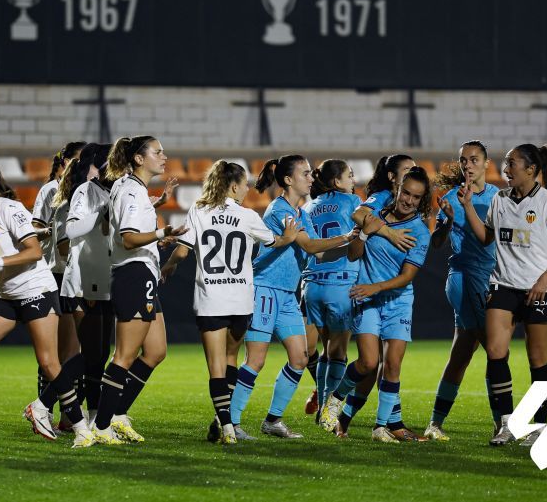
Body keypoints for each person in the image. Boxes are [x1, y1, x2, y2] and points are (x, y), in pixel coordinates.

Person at [0, 163, 95, 448]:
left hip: (36, 290)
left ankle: (82, 429)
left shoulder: (9, 208)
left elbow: (32, 252)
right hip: (6, 294)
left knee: (49, 363)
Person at [161, 160, 299, 444]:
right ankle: (226, 424)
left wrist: (168, 268)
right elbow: (274, 242)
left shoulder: (199, 211)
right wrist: (288, 237)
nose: (248, 187)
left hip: (212, 298)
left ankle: (226, 427)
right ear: (233, 186)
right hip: (241, 299)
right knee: (231, 360)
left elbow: (183, 253)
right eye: (244, 183)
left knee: (216, 368)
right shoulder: (248, 216)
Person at [229, 155, 356, 440]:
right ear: (288, 180)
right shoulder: (279, 210)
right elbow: (310, 246)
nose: (312, 179)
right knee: (256, 360)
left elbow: (319, 252)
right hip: (264, 289)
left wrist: (355, 241)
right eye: (306, 173)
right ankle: (231, 423)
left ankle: (272, 421)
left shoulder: (302, 214)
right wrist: (349, 235)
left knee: (300, 358)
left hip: (287, 294)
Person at [459, 144, 547, 446]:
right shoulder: (500, 199)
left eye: (511, 164)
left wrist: (544, 279)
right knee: (495, 352)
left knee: (537, 360)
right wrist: (468, 206)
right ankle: (507, 425)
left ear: (531, 169)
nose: (505, 170)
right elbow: (485, 238)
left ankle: (538, 426)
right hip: (504, 286)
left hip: (541, 291)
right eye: (505, 164)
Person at [322, 166, 433, 443]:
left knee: (393, 365)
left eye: (416, 197)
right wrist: (365, 234)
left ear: (422, 200)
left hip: (398, 300)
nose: (408, 200)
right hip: (368, 300)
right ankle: (335, 401)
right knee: (369, 362)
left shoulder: (420, 232)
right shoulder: (376, 215)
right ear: (397, 190)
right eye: (406, 193)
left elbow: (407, 276)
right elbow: (352, 254)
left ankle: (380, 427)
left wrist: (376, 286)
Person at [91, 135, 187, 445]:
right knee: (124, 355)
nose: (164, 156)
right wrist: (163, 231)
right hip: (133, 276)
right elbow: (129, 238)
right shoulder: (132, 190)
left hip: (139, 273)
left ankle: (117, 414)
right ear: (138, 159)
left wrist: (156, 227)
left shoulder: (132, 188)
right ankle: (101, 424)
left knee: (156, 351)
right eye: (157, 152)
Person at [424, 141, 500, 441]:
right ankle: (503, 422)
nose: (468, 165)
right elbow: (438, 243)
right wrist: (447, 222)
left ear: (486, 163)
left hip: (491, 279)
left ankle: (435, 423)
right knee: (496, 351)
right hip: (464, 277)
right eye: (463, 160)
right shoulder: (450, 199)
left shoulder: (499, 198)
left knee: (461, 354)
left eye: (473, 159)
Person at [300, 160, 362, 425]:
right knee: (338, 352)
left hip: (312, 284)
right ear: (337, 181)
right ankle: (328, 413)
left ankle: (323, 406)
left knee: (326, 350)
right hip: (341, 282)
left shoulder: (308, 206)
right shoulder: (353, 202)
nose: (354, 179)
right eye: (349, 175)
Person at [31, 142, 87, 422]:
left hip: (78, 274)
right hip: (56, 272)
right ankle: (49, 411)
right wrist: (51, 231)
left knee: (78, 349)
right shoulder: (50, 190)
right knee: (60, 351)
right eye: (77, 161)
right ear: (64, 162)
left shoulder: (85, 192)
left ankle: (66, 413)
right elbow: (32, 229)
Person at [62, 143, 117, 424]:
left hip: (104, 278)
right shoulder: (86, 190)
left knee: (100, 354)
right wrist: (101, 213)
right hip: (85, 281)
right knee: (92, 354)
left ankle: (94, 415)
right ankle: (44, 403)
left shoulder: (111, 191)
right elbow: (72, 230)